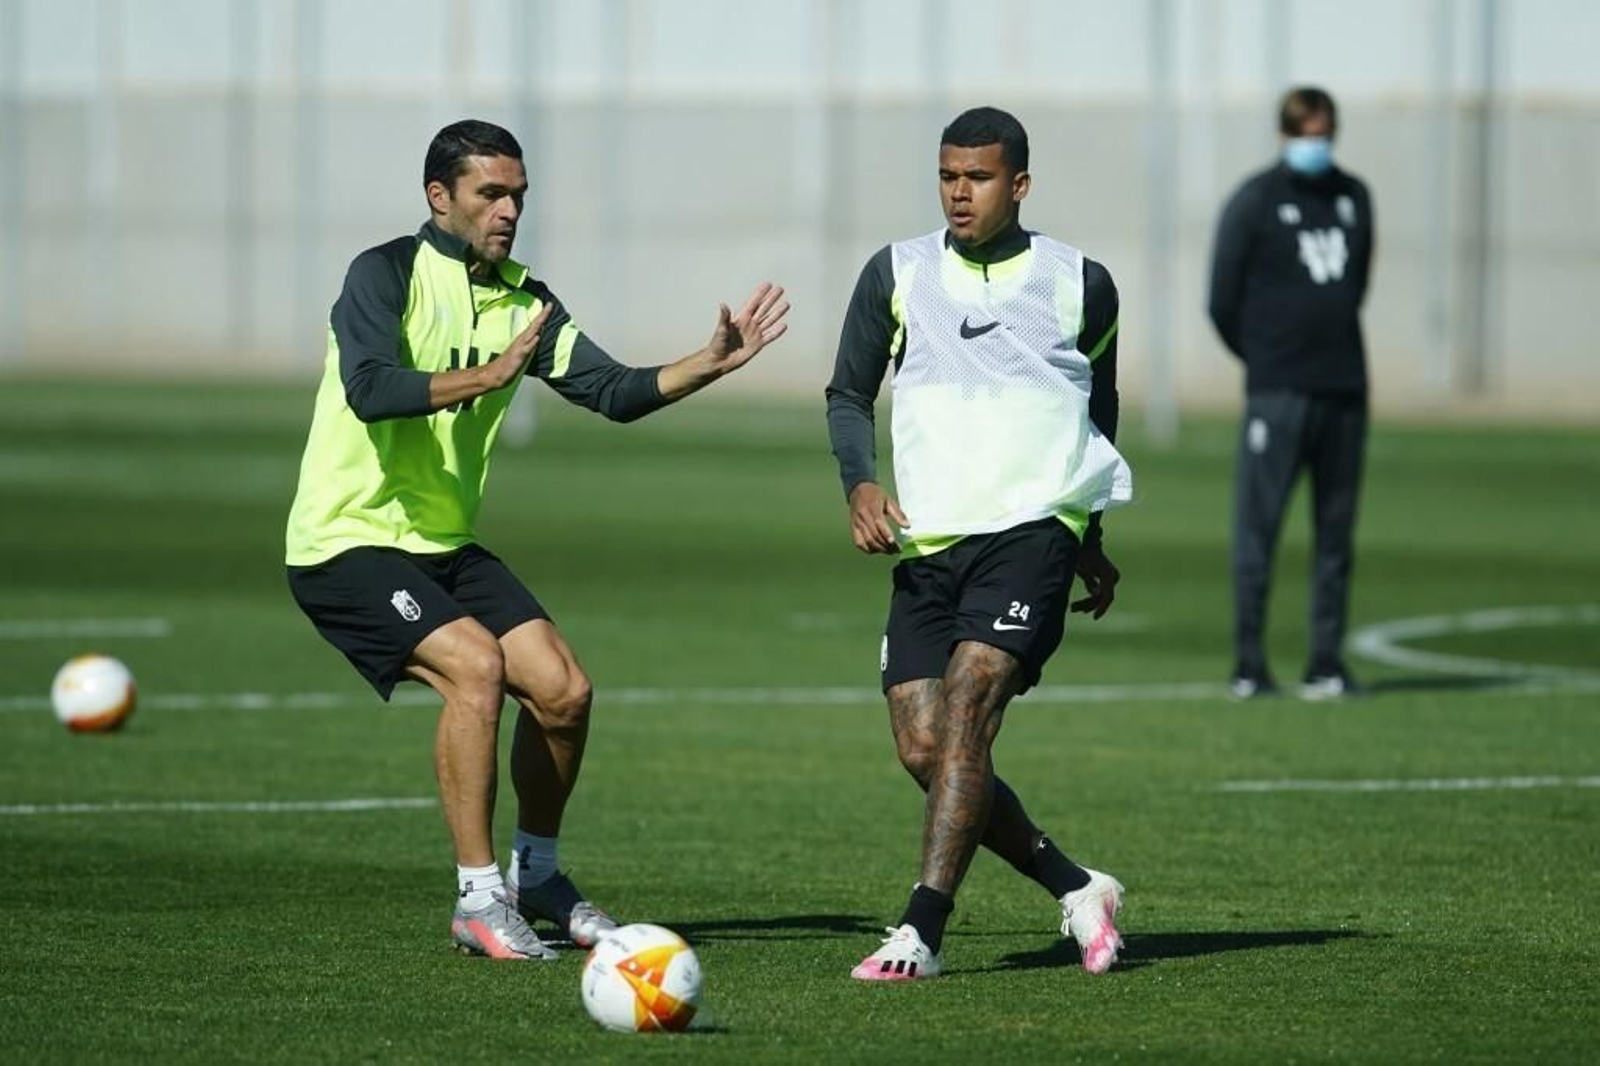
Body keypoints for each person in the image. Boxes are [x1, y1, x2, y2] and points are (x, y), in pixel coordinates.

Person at [285, 119, 789, 960]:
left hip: (440, 541)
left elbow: (614, 391)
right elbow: (371, 388)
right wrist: (484, 377)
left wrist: (706, 362)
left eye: (519, 194)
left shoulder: (527, 300)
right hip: (346, 539)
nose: (510, 209)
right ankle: (479, 901)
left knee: (563, 691)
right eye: (491, 194)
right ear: (439, 197)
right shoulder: (384, 274)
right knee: (477, 669)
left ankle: (538, 877)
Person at [825, 106, 1132, 981]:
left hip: (1033, 529)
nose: (961, 193)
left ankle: (920, 929)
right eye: (948, 177)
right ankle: (1075, 886)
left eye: (981, 177)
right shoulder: (897, 272)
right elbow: (848, 393)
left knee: (967, 709)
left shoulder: (1082, 283)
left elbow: (1095, 408)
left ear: (1020, 184)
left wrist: (1089, 531)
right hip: (929, 541)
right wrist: (860, 482)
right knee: (925, 747)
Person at [1207, 86, 1374, 701]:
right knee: (1259, 530)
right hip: (1277, 390)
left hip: (1344, 387)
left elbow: (1355, 284)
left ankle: (1326, 662)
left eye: (1325, 131)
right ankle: (1250, 663)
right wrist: (1268, 357)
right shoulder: (1255, 201)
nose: (1316, 143)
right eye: (1306, 132)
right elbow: (1222, 300)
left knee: (1335, 533)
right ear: (1285, 135)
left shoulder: (1354, 198)